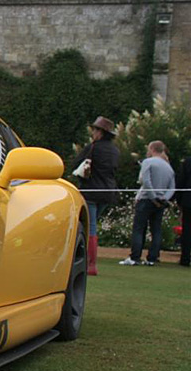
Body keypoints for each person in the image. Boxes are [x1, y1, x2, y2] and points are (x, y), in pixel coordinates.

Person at [71, 116, 119, 275]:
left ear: (100, 132)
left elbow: (77, 163)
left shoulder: (93, 148)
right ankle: (88, 261)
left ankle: (90, 264)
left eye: (95, 130)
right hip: (107, 192)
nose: (93, 133)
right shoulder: (114, 150)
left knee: (89, 228)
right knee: (92, 226)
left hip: (91, 191)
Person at [120, 140, 175, 266]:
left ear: (152, 149)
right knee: (156, 229)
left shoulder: (147, 162)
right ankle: (152, 258)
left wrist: (153, 197)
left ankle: (135, 257)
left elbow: (146, 181)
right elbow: (172, 187)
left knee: (139, 228)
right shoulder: (168, 166)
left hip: (146, 199)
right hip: (161, 201)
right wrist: (164, 199)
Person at [176, 154, 191, 268]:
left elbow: (181, 181)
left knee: (187, 230)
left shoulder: (187, 161)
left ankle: (185, 258)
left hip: (188, 201)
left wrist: (179, 201)